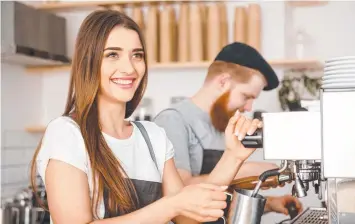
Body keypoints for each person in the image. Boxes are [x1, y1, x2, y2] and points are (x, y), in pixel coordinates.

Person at [30, 10, 266, 224]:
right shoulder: (67, 134)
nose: (130, 68)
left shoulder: (152, 136)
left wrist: (233, 157)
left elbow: (186, 216)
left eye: (137, 55)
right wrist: (171, 204)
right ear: (88, 62)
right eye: (113, 54)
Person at [154, 42, 303, 220]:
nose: (248, 107)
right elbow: (178, 198)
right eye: (246, 96)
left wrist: (270, 203)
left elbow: (224, 198)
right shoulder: (173, 121)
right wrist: (240, 171)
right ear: (223, 81)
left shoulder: (222, 123)